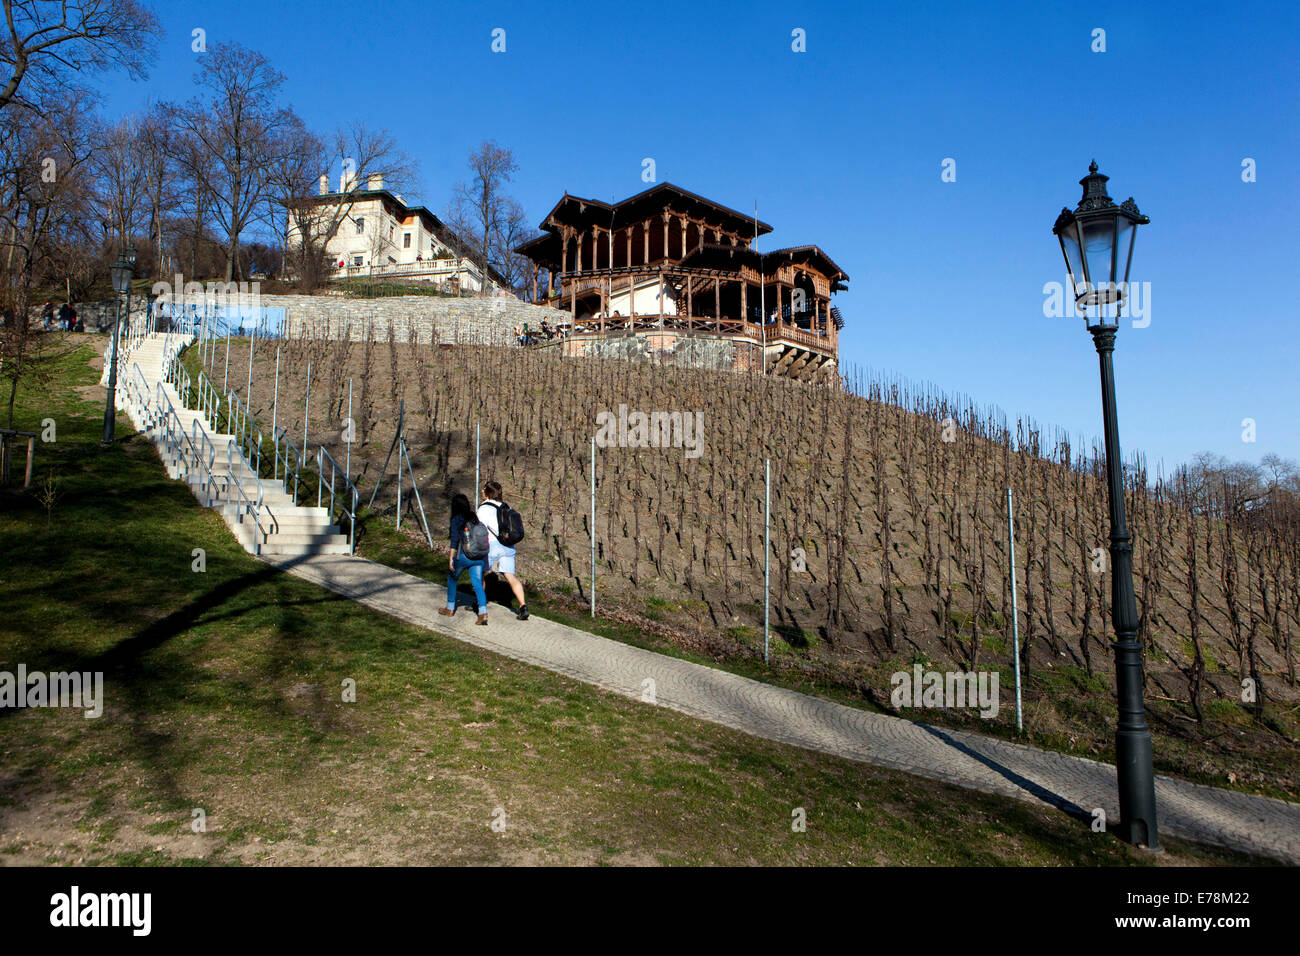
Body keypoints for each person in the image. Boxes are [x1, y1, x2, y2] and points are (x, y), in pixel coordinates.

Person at [478, 479, 528, 620]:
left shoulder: (484, 508)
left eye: (483, 490)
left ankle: (480, 602)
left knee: (480, 573)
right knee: (510, 576)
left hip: (492, 545)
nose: (481, 492)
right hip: (508, 545)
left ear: (487, 493)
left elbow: (479, 529)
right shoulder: (506, 506)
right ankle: (523, 606)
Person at [439, 493, 489, 625]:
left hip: (463, 556)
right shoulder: (473, 517)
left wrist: (451, 559)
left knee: (452, 578)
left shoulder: (456, 519)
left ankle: (450, 608)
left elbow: (455, 540)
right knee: (477, 583)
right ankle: (483, 612)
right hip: (478, 556)